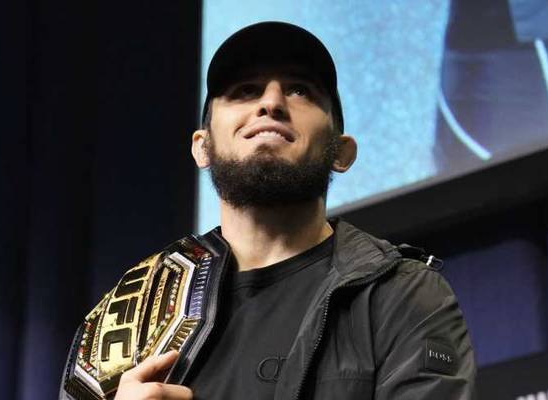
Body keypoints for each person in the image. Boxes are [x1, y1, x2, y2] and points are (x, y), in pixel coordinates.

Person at [61, 21, 476, 400]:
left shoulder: (401, 294)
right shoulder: (131, 312)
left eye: (300, 90)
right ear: (202, 147)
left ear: (341, 152)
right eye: (245, 90)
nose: (271, 102)